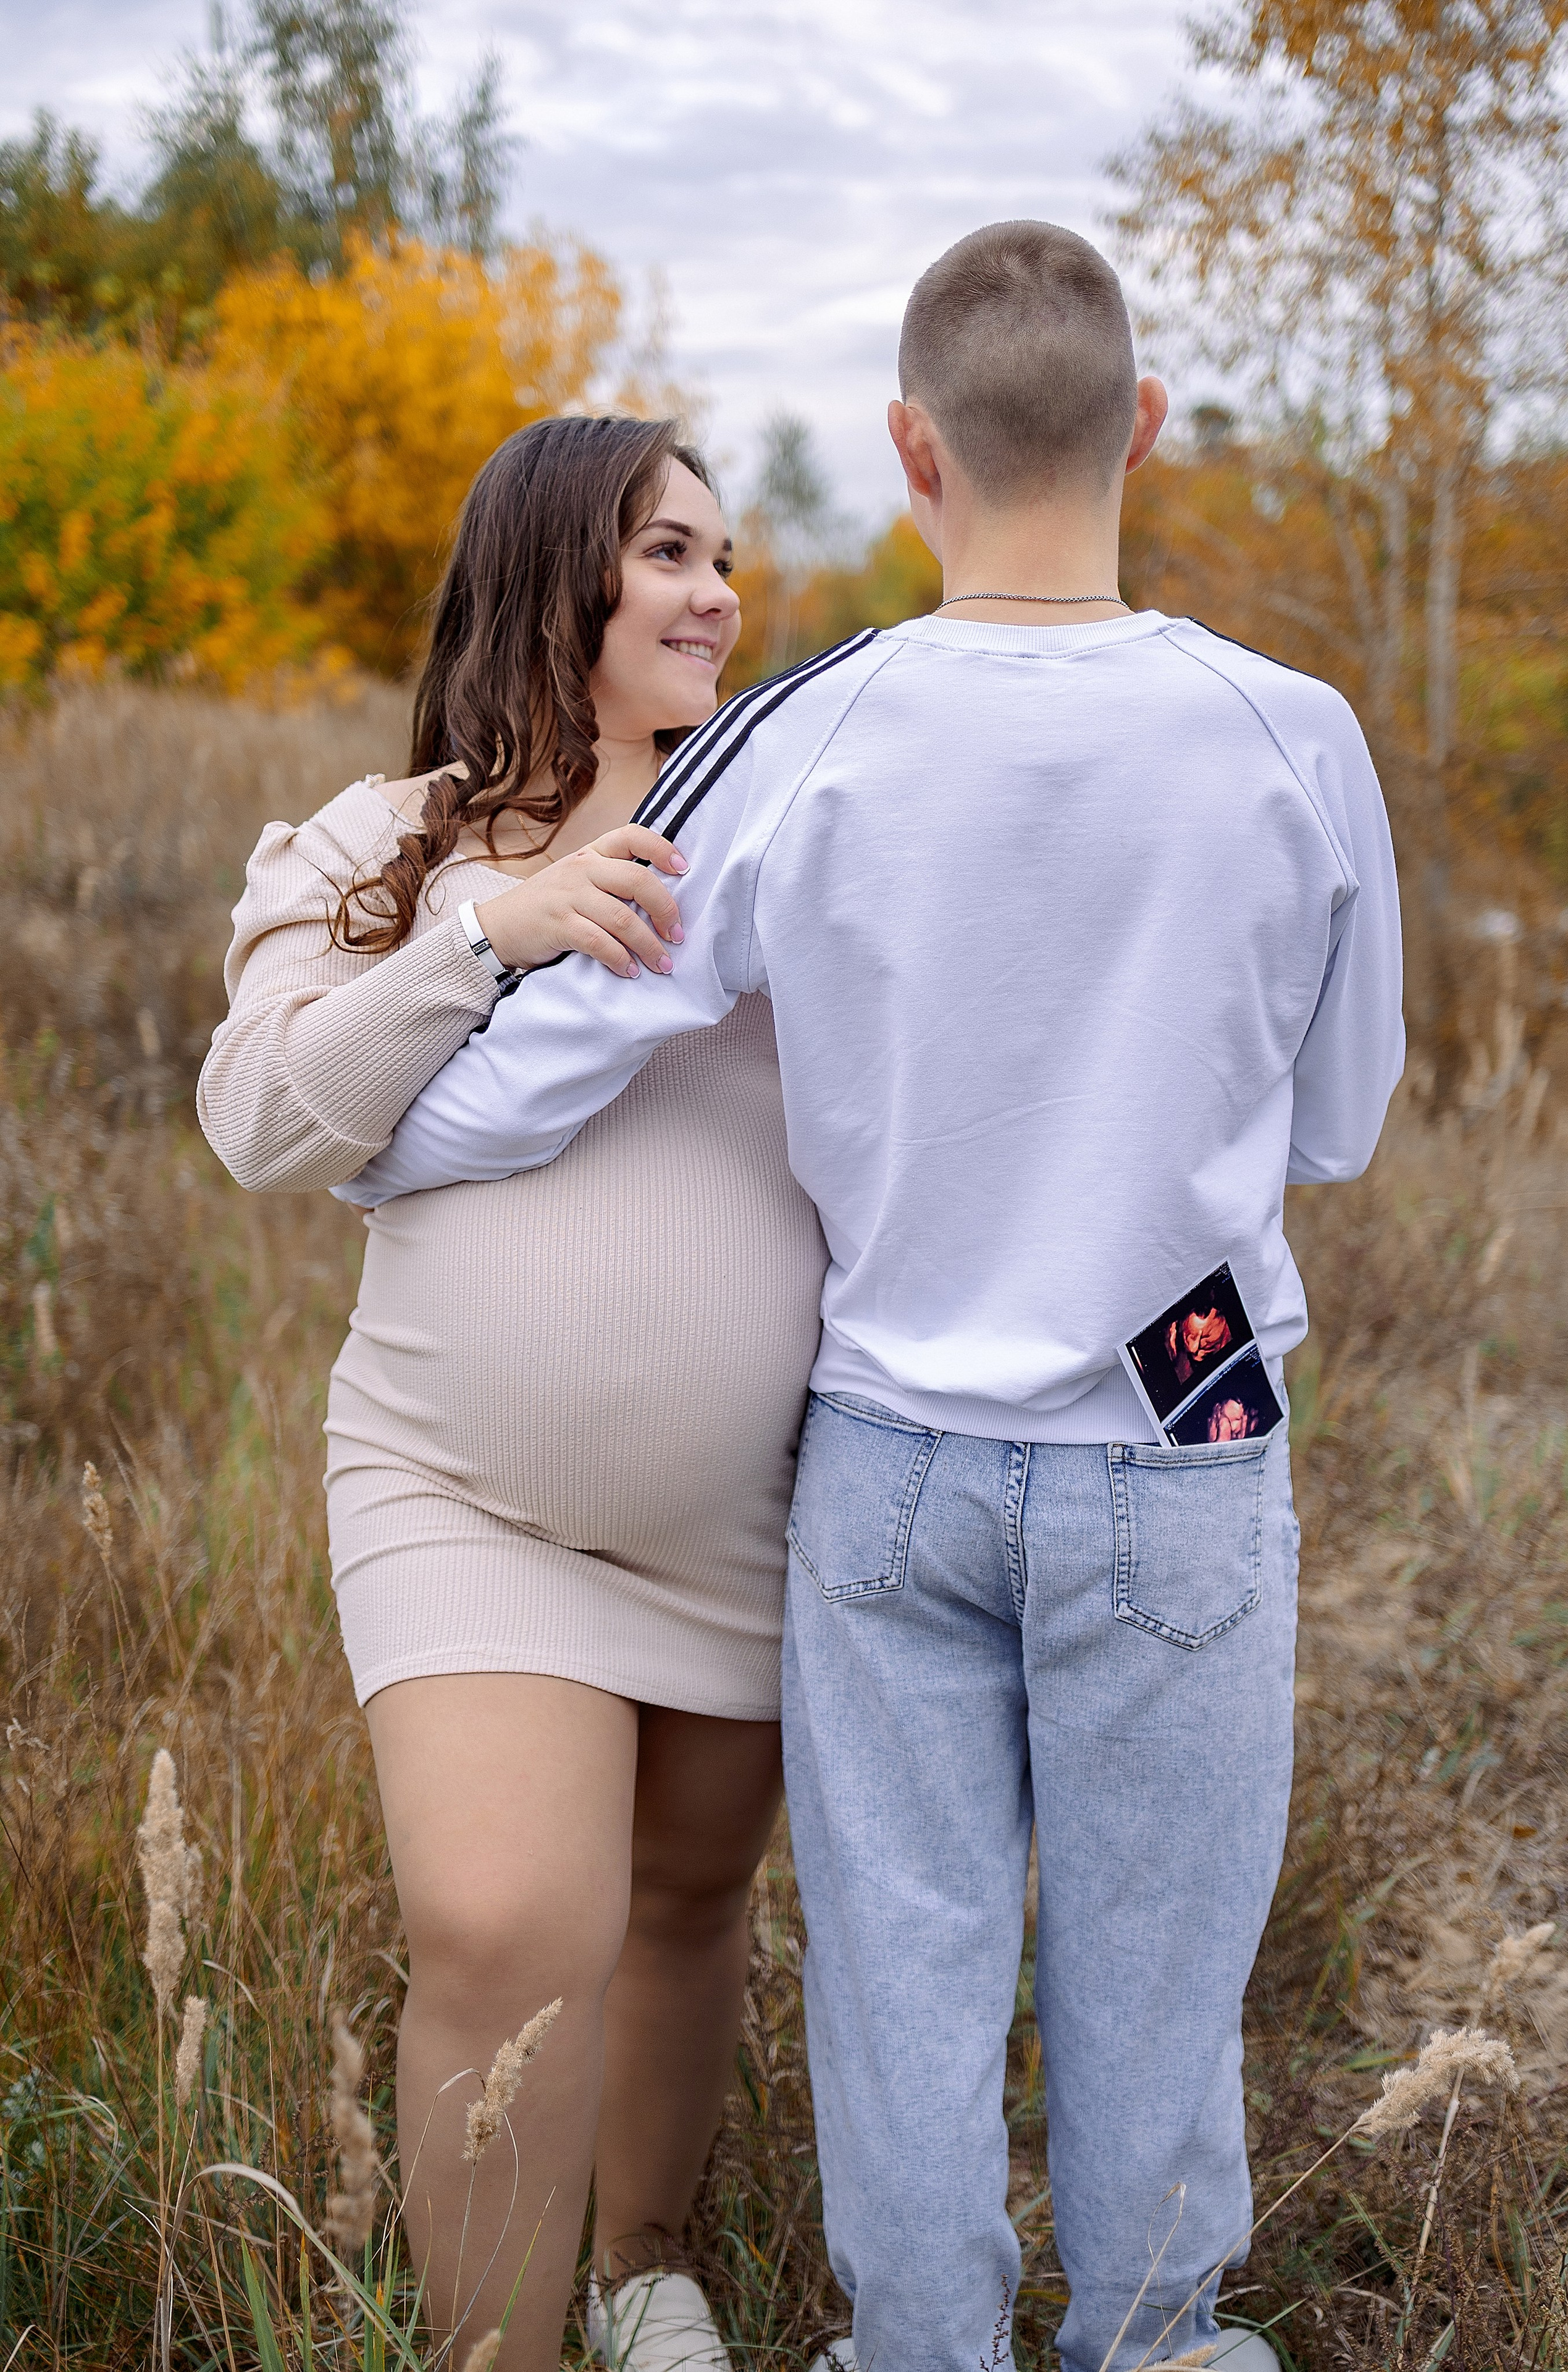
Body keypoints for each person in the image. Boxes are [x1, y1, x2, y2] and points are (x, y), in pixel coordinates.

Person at [340, 224, 1406, 2372]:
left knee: (900, 1963)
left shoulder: (797, 737)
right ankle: (1152, 2342)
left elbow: (550, 1056)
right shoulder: (1295, 735)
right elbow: (1344, 1119)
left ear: (913, 449)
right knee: (1158, 1957)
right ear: (1144, 428)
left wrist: (383, 1136)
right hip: (1178, 1439)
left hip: (890, 1458)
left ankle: (919, 2347)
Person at [198, 415, 832, 2372]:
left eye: (724, 556)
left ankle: (644, 2271)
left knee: (687, 1901)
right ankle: (501, 2355)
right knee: (501, 1928)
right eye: (669, 551)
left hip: (743, 1505)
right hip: (460, 1491)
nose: (717, 594)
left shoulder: (786, 827)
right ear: (553, 569)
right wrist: (492, 928)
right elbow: (263, 1123)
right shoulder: (384, 840)